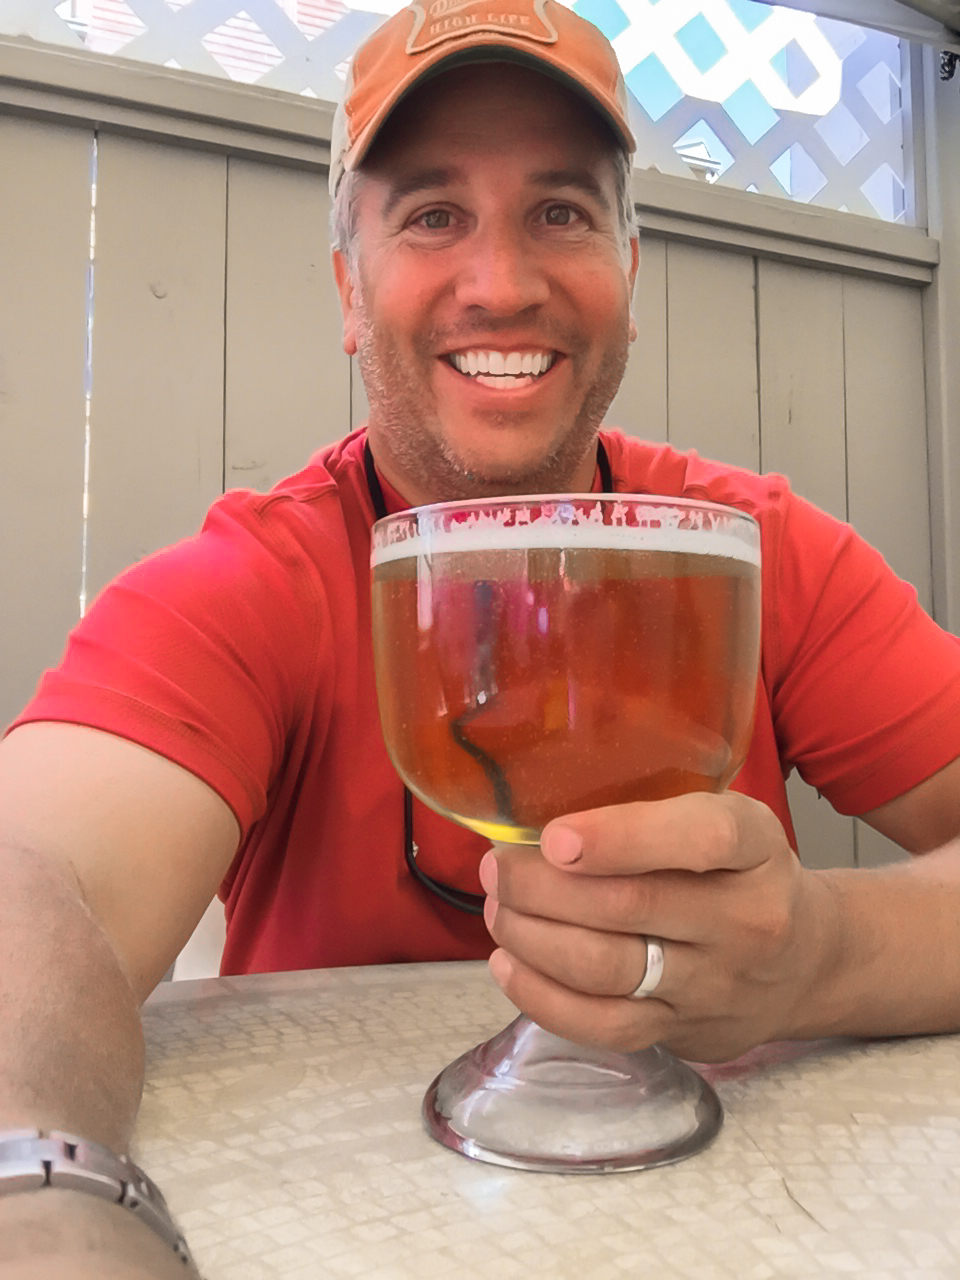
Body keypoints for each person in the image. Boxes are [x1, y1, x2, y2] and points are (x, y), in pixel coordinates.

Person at [2, 0, 960, 1274]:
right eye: (432, 214)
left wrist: (825, 956)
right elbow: (31, 874)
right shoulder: (258, 581)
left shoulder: (753, 553)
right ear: (350, 287)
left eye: (561, 211)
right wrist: (50, 1195)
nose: (501, 282)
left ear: (630, 270)